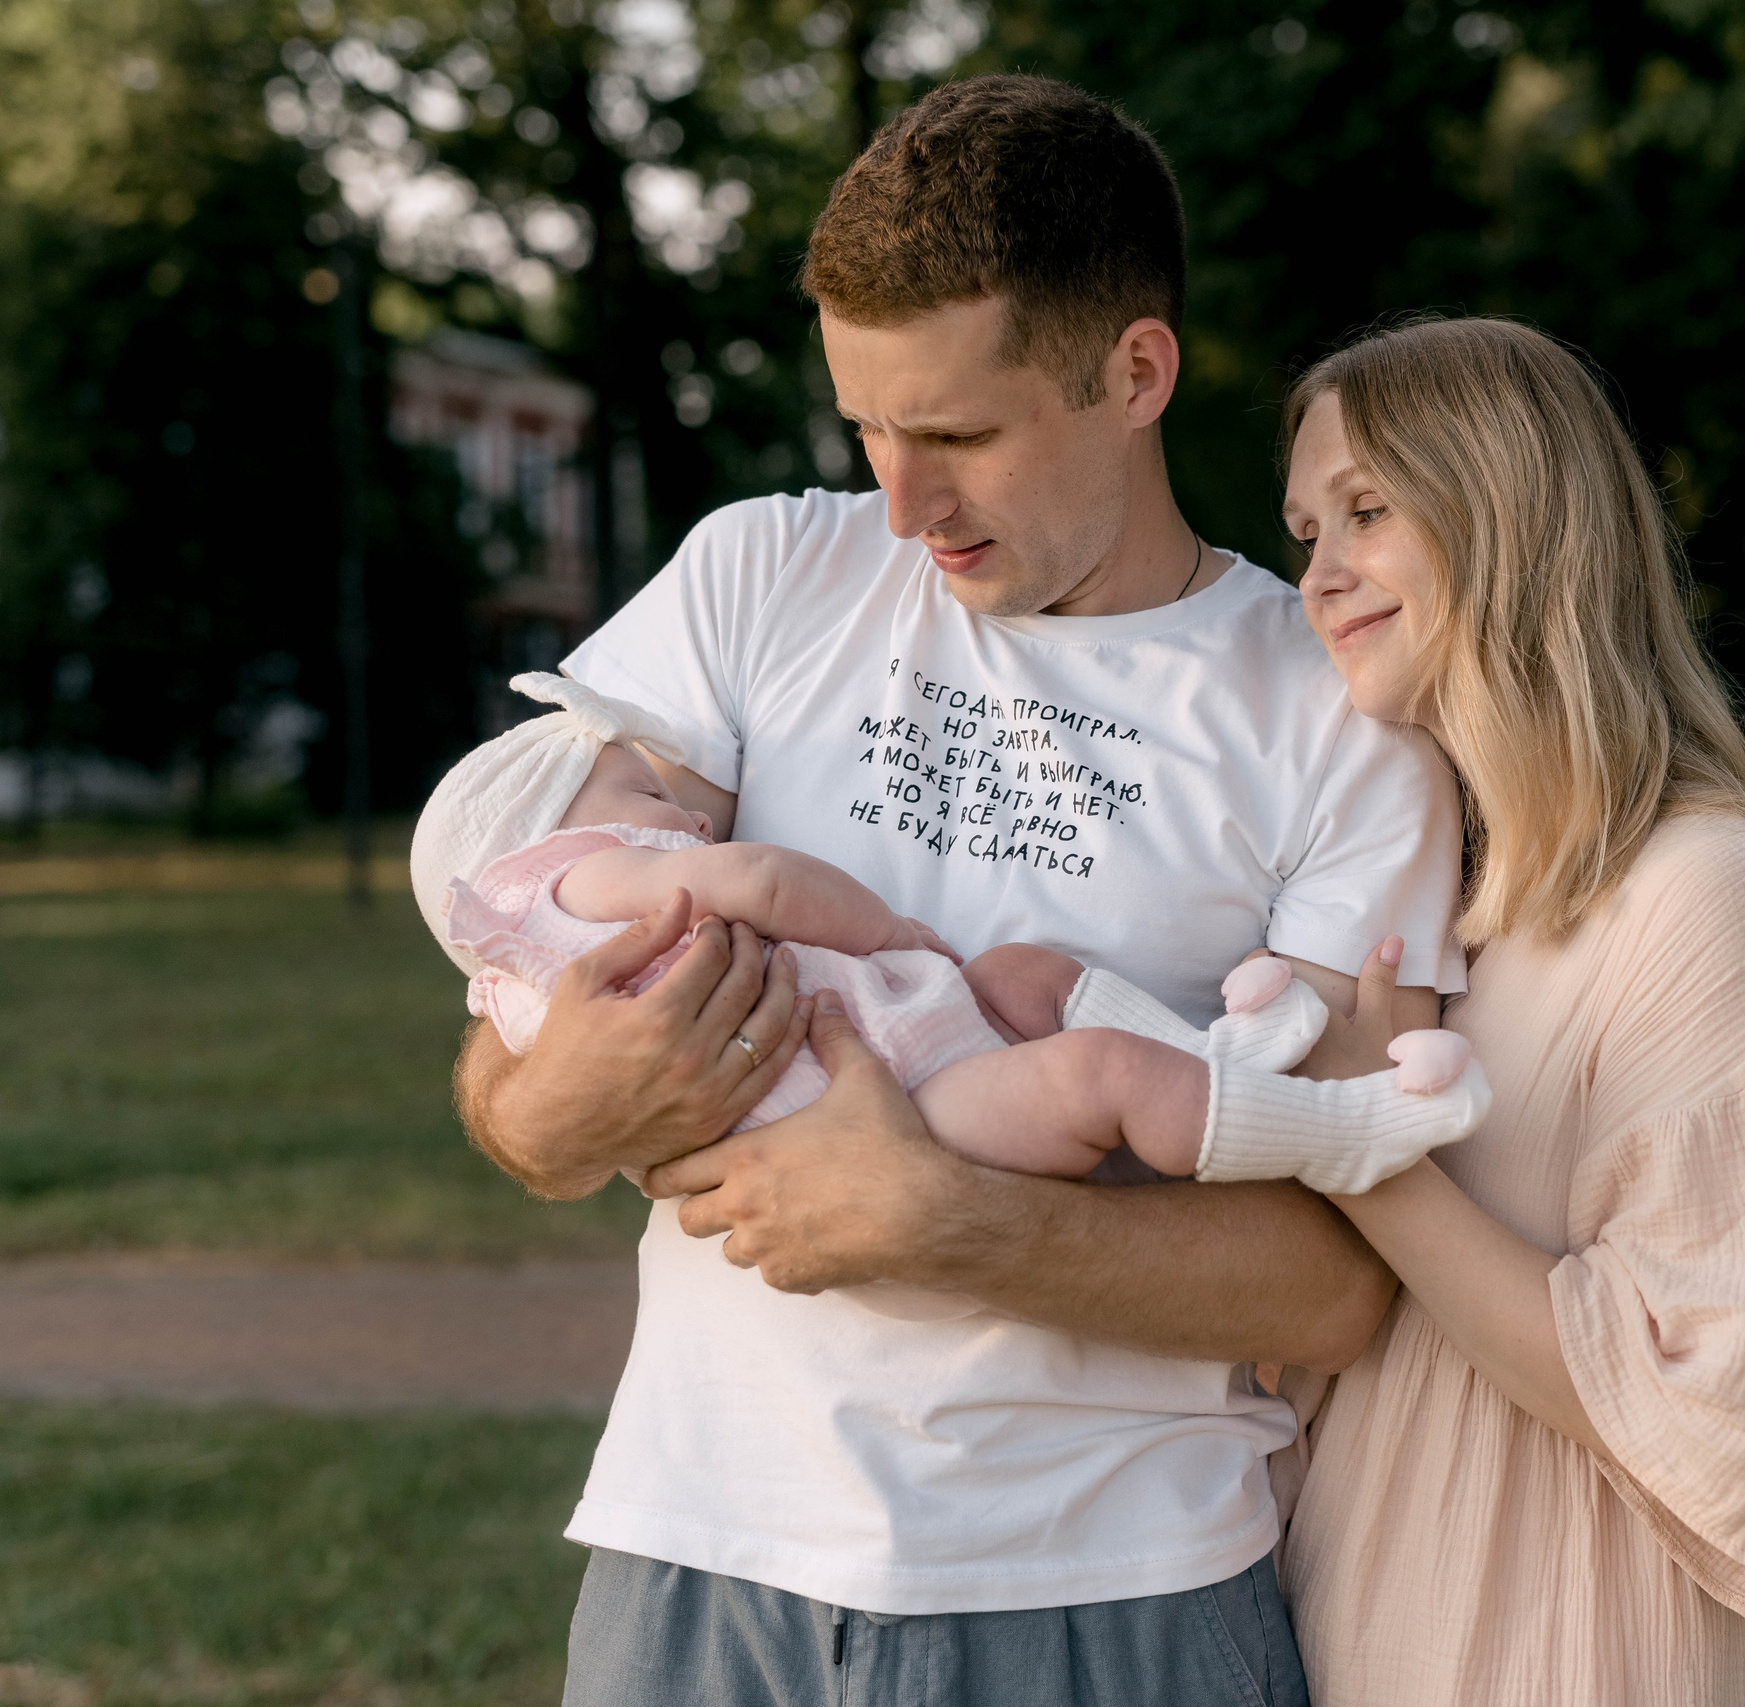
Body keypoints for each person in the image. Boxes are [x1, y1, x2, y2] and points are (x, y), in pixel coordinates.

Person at [449, 77, 1465, 1706]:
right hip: (699, 1563)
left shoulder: (1332, 714)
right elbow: (527, 1013)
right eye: (868, 425)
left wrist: (947, 1219)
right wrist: (543, 1112)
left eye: (960, 434)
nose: (902, 502)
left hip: (1110, 1590)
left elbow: (1340, 1281)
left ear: (1136, 372)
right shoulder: (762, 575)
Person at [1270, 317, 1745, 1704]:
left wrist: (1365, 1148)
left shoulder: (1707, 888)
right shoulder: (1432, 900)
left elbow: (1708, 1390)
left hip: (1584, 1643)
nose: (1319, 573)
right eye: (1306, 528)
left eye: (1366, 509)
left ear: (1511, 513)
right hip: (1370, 1617)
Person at [412, 671, 1487, 1188]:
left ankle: (1217, 1063)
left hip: (898, 1062)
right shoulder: (584, 879)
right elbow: (758, 877)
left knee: (1026, 976)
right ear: (546, 829)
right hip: (900, 1114)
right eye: (645, 797)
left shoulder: (512, 980)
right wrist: (889, 931)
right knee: (1096, 1074)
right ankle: (1333, 1135)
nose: (685, 813)